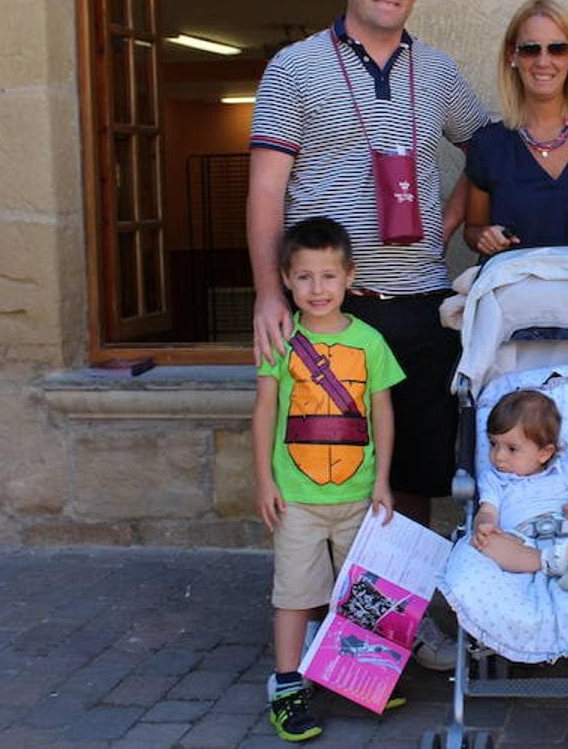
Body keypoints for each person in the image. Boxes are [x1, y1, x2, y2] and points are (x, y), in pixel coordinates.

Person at [248, 0, 490, 670]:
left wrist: (444, 223)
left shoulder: (440, 72)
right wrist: (266, 295)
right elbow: (265, 188)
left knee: (411, 474)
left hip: (418, 303)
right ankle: (320, 630)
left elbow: (490, 151)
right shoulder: (294, 68)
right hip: (328, 310)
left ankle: (396, 625)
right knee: (320, 470)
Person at [251, 217, 401, 742]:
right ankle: (288, 686)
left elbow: (380, 413)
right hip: (297, 496)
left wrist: (383, 479)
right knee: (294, 593)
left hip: (357, 491)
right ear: (287, 282)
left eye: (328, 277)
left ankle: (359, 674)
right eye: (305, 278)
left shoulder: (369, 341)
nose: (318, 289)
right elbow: (265, 411)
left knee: (360, 587)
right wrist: (264, 481)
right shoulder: (282, 339)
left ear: (349, 278)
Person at [464, 0, 568, 256]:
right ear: (513, 56)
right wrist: (485, 237)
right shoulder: (488, 144)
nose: (544, 61)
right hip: (514, 291)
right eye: (531, 49)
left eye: (557, 49)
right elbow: (473, 229)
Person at [471, 390, 568, 593]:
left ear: (544, 453)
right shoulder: (494, 479)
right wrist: (485, 524)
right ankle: (547, 563)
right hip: (523, 542)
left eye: (511, 449)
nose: (498, 456)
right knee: (486, 543)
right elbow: (487, 510)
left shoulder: (565, 470)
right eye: (493, 444)